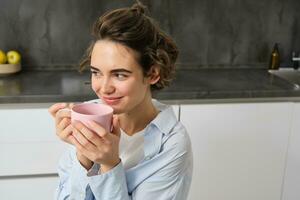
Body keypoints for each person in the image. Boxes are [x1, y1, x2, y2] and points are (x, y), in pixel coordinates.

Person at [48, 1, 193, 199]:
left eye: (120, 75)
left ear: (152, 74)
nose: (104, 88)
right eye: (96, 73)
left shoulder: (172, 144)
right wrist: (84, 157)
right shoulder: (87, 118)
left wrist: (109, 164)